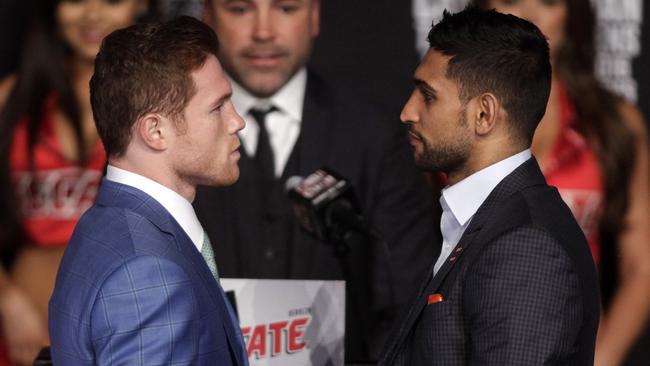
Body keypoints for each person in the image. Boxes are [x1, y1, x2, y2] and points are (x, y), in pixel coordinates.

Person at [198, 0, 437, 361]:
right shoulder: (171, 134)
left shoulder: (373, 136)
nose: (264, 32)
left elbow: (406, 296)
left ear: (313, 17)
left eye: (286, 9)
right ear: (208, 18)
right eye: (240, 9)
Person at [380, 7, 601, 365]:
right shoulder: (485, 222)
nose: (408, 112)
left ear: (484, 114)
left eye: (428, 95)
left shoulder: (524, 247)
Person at [48, 16, 248, 365]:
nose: (237, 121)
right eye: (218, 107)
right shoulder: (150, 273)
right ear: (155, 132)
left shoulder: (102, 223)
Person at [474, 1, 650, 365]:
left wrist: (603, 356)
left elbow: (642, 264)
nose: (530, 15)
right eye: (510, 0)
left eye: (549, 1)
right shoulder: (450, 118)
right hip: (474, 346)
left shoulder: (614, 124)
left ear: (572, 14)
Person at [0, 1, 154, 364]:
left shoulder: (163, 101)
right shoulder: (10, 99)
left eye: (112, 0)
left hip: (128, 327)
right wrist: (6, 300)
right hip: (21, 333)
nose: (92, 14)